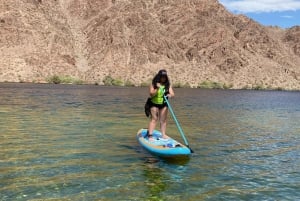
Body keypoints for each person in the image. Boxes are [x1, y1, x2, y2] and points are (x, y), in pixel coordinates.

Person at [147, 69, 174, 140]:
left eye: (165, 77)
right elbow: (151, 94)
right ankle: (150, 135)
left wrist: (170, 95)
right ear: (159, 77)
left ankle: (163, 135)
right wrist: (157, 88)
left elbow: (172, 94)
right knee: (154, 119)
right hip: (154, 104)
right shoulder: (154, 84)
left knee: (163, 120)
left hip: (164, 104)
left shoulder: (168, 85)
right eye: (162, 77)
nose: (163, 78)